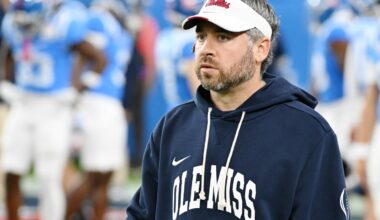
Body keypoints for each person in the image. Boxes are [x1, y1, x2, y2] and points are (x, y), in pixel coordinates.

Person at [126, 0, 348, 219]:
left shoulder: (307, 132)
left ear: (260, 49)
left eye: (222, 37)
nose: (206, 49)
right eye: (201, 36)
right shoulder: (172, 127)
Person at [0, 0, 106, 219]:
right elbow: (9, 51)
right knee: (10, 169)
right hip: (23, 103)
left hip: (53, 108)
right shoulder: (13, 24)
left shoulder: (62, 25)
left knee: (48, 176)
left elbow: (96, 57)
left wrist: (78, 89)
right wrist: (6, 83)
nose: (23, 24)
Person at [64, 0, 133, 219]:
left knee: (104, 175)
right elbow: (82, 55)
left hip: (109, 102)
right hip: (96, 103)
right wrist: (79, 88)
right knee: (95, 174)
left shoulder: (117, 22)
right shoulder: (97, 18)